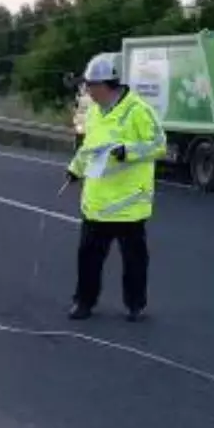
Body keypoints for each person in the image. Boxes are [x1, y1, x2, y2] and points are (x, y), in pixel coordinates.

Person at [64, 54, 166, 321]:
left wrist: (127, 151)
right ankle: (83, 302)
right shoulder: (94, 111)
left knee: (133, 260)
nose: (87, 91)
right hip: (96, 202)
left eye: (90, 86)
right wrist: (75, 169)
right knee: (88, 258)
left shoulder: (138, 111)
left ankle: (135, 305)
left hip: (128, 204)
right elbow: (89, 147)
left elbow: (159, 145)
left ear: (106, 85)